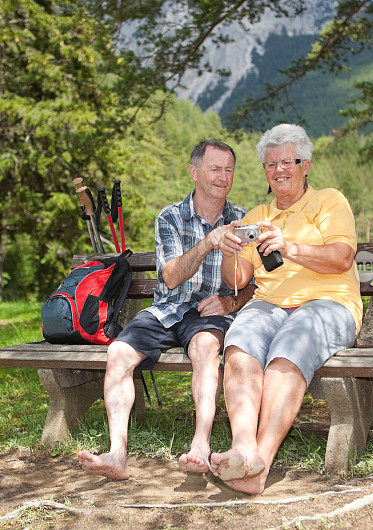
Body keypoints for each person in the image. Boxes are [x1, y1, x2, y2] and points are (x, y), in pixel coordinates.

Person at [78, 140, 252, 480]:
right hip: (169, 308)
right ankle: (117, 454)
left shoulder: (244, 220)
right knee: (118, 353)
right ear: (194, 172)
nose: (223, 177)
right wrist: (207, 242)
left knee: (205, 346)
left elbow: (257, 283)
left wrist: (231, 302)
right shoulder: (170, 217)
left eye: (229, 170)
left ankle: (200, 446)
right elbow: (170, 277)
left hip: (209, 312)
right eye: (215, 169)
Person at [210, 124, 363, 494]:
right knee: (239, 344)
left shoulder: (329, 201)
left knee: (289, 348)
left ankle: (259, 465)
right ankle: (243, 447)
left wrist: (289, 245)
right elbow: (240, 276)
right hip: (268, 305)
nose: (279, 169)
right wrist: (229, 250)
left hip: (328, 304)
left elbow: (342, 258)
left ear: (305, 164)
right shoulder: (258, 213)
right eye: (270, 163)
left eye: (288, 161)